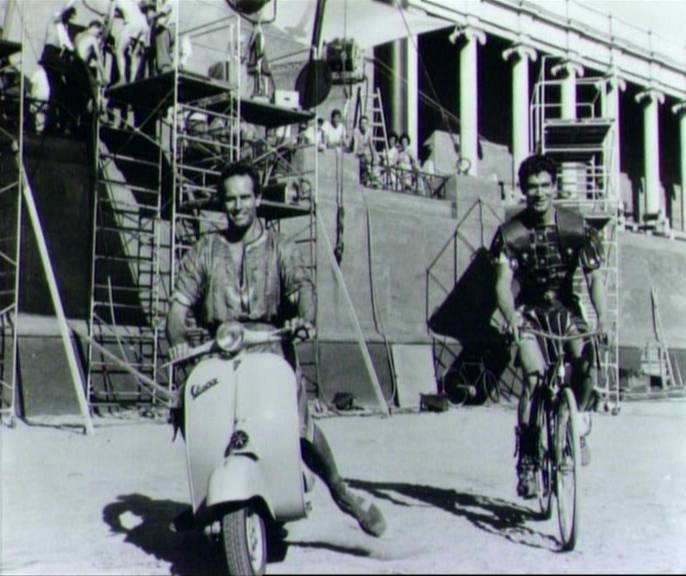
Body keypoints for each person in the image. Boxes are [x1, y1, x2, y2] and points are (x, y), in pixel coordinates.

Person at [166, 162, 386, 537]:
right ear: (222, 203)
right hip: (219, 350)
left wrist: (304, 318)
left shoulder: (280, 246)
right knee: (190, 404)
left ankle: (342, 493)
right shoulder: (205, 248)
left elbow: (302, 290)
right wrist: (178, 343)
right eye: (230, 199)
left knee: (297, 425)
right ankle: (203, 499)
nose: (237, 206)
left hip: (269, 346)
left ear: (258, 199)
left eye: (245, 198)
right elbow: (177, 306)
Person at [490, 153, 607, 499]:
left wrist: (603, 319)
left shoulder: (575, 227)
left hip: (566, 310)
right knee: (534, 377)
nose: (539, 193)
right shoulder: (510, 233)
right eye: (531, 187)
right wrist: (511, 316)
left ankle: (578, 422)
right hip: (528, 313)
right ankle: (527, 456)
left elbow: (595, 277)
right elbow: (501, 283)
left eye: (545, 186)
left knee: (585, 362)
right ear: (523, 191)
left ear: (555, 188)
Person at [39, 0, 77, 133]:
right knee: (62, 86)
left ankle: (51, 124)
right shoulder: (56, 20)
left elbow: (67, 44)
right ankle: (54, 124)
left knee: (57, 91)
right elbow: (64, 9)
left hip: (54, 57)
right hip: (51, 55)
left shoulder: (63, 27)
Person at [70, 20, 107, 133]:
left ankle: (75, 122)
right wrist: (104, 75)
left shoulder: (78, 35)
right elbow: (99, 58)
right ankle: (101, 112)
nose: (98, 35)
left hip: (73, 66)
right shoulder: (92, 38)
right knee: (94, 87)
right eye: (98, 32)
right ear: (94, 27)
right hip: (81, 66)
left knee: (78, 96)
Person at [108, 0, 150, 86]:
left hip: (133, 24)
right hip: (144, 24)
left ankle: (122, 79)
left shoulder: (114, 2)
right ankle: (132, 81)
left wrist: (107, 34)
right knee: (134, 55)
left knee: (119, 51)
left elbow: (110, 19)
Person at [350, 115, 380, 187]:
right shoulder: (356, 131)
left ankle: (374, 179)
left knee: (375, 159)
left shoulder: (368, 131)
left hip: (365, 153)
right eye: (362, 123)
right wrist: (353, 156)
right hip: (358, 153)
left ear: (367, 124)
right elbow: (355, 145)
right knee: (366, 159)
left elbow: (371, 145)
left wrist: (374, 157)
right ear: (359, 124)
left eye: (365, 123)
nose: (363, 125)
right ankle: (369, 178)